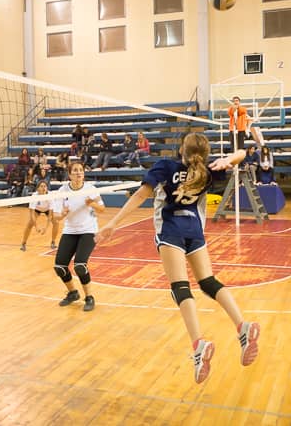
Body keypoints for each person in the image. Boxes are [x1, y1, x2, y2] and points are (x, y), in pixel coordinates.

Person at [96, 133, 259, 384]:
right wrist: (227, 159)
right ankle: (243, 327)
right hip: (195, 230)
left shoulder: (166, 167)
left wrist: (113, 224)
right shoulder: (208, 169)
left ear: (182, 148)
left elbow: (140, 195)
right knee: (208, 283)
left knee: (180, 288)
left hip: (171, 229)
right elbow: (243, 154)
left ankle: (198, 344)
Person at [53, 161, 106, 312]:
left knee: (80, 265)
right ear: (69, 174)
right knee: (59, 267)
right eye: (75, 171)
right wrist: (61, 214)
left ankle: (89, 297)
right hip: (70, 230)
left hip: (88, 230)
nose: (78, 173)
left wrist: (91, 203)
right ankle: (72, 293)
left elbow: (102, 209)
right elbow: (56, 217)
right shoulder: (62, 191)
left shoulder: (91, 189)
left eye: (81, 170)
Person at [20, 180, 53, 251]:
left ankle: (53, 242)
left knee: (56, 222)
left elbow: (50, 213)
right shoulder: (34, 196)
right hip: (37, 209)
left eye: (45, 186)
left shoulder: (50, 196)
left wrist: (46, 228)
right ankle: (23, 243)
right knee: (29, 224)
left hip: (47, 209)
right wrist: (36, 227)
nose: (43, 188)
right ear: (38, 188)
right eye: (41, 186)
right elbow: (31, 213)